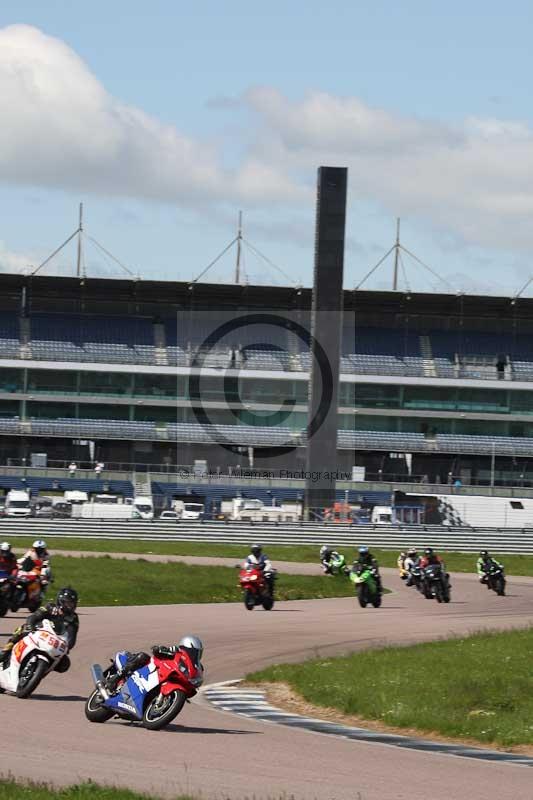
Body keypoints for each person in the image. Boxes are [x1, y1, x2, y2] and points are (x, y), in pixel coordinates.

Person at [1, 587, 79, 670]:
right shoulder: (50, 607)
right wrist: (30, 626)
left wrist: (67, 647)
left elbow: (72, 637)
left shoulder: (73, 619)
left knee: (65, 664)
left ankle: (42, 670)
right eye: (68, 603)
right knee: (23, 628)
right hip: (38, 633)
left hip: (54, 643)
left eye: (72, 604)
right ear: (61, 601)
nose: (70, 606)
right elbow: (34, 616)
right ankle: (6, 650)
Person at [105, 635, 204, 694]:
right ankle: (115, 679)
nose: (194, 655)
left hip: (162, 678)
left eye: (197, 653)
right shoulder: (176, 651)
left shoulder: (195, 666)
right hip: (152, 669)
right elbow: (156, 649)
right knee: (143, 656)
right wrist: (161, 649)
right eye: (193, 652)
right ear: (185, 646)